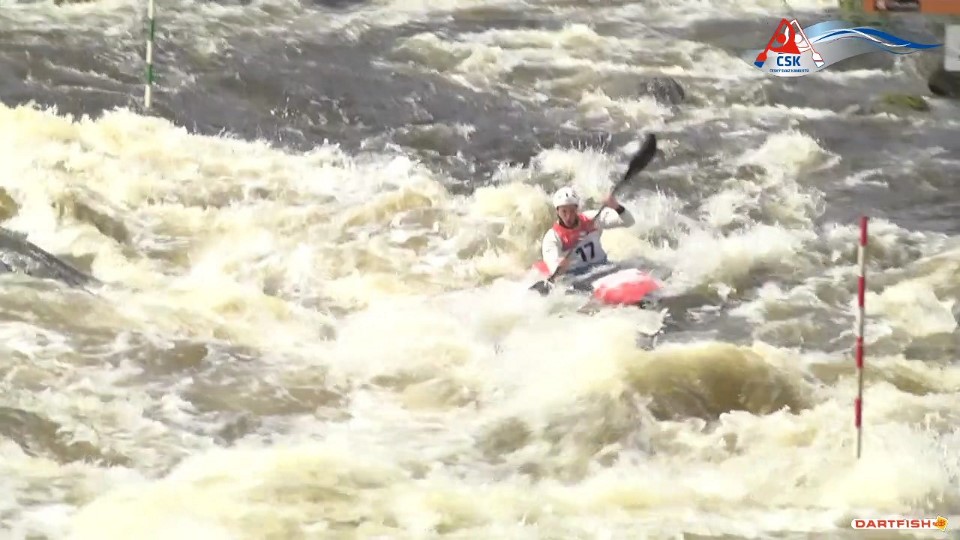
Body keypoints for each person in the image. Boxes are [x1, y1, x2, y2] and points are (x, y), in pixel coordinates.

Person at [541, 186, 635, 278]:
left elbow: (629, 221)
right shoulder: (552, 237)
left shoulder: (592, 219)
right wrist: (559, 266)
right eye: (564, 211)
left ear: (577, 209)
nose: (568, 216)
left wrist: (616, 206)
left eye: (572, 211)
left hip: (604, 266)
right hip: (577, 277)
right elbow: (553, 267)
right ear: (557, 211)